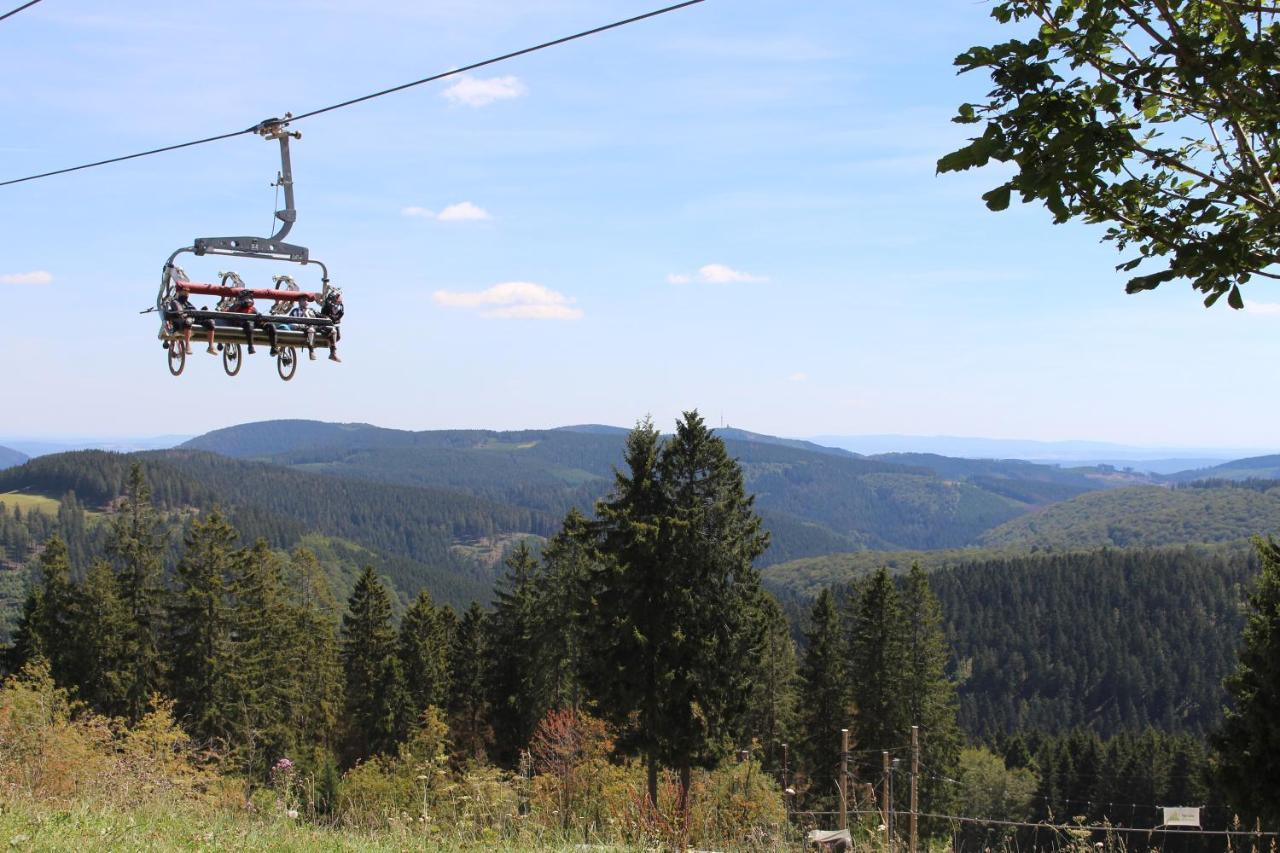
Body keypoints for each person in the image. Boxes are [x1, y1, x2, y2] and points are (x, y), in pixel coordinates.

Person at [164, 288, 195, 355]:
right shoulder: (175, 302)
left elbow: (193, 310)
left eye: (187, 294)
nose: (186, 295)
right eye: (184, 293)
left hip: (181, 321)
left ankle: (173, 349)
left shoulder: (187, 304)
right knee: (174, 333)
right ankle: (176, 348)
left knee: (185, 323)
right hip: (177, 322)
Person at [319, 289, 344, 363]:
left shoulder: (340, 310)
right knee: (333, 331)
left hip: (330, 326)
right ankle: (333, 353)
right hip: (324, 327)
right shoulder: (327, 307)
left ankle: (332, 351)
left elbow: (337, 319)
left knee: (338, 335)